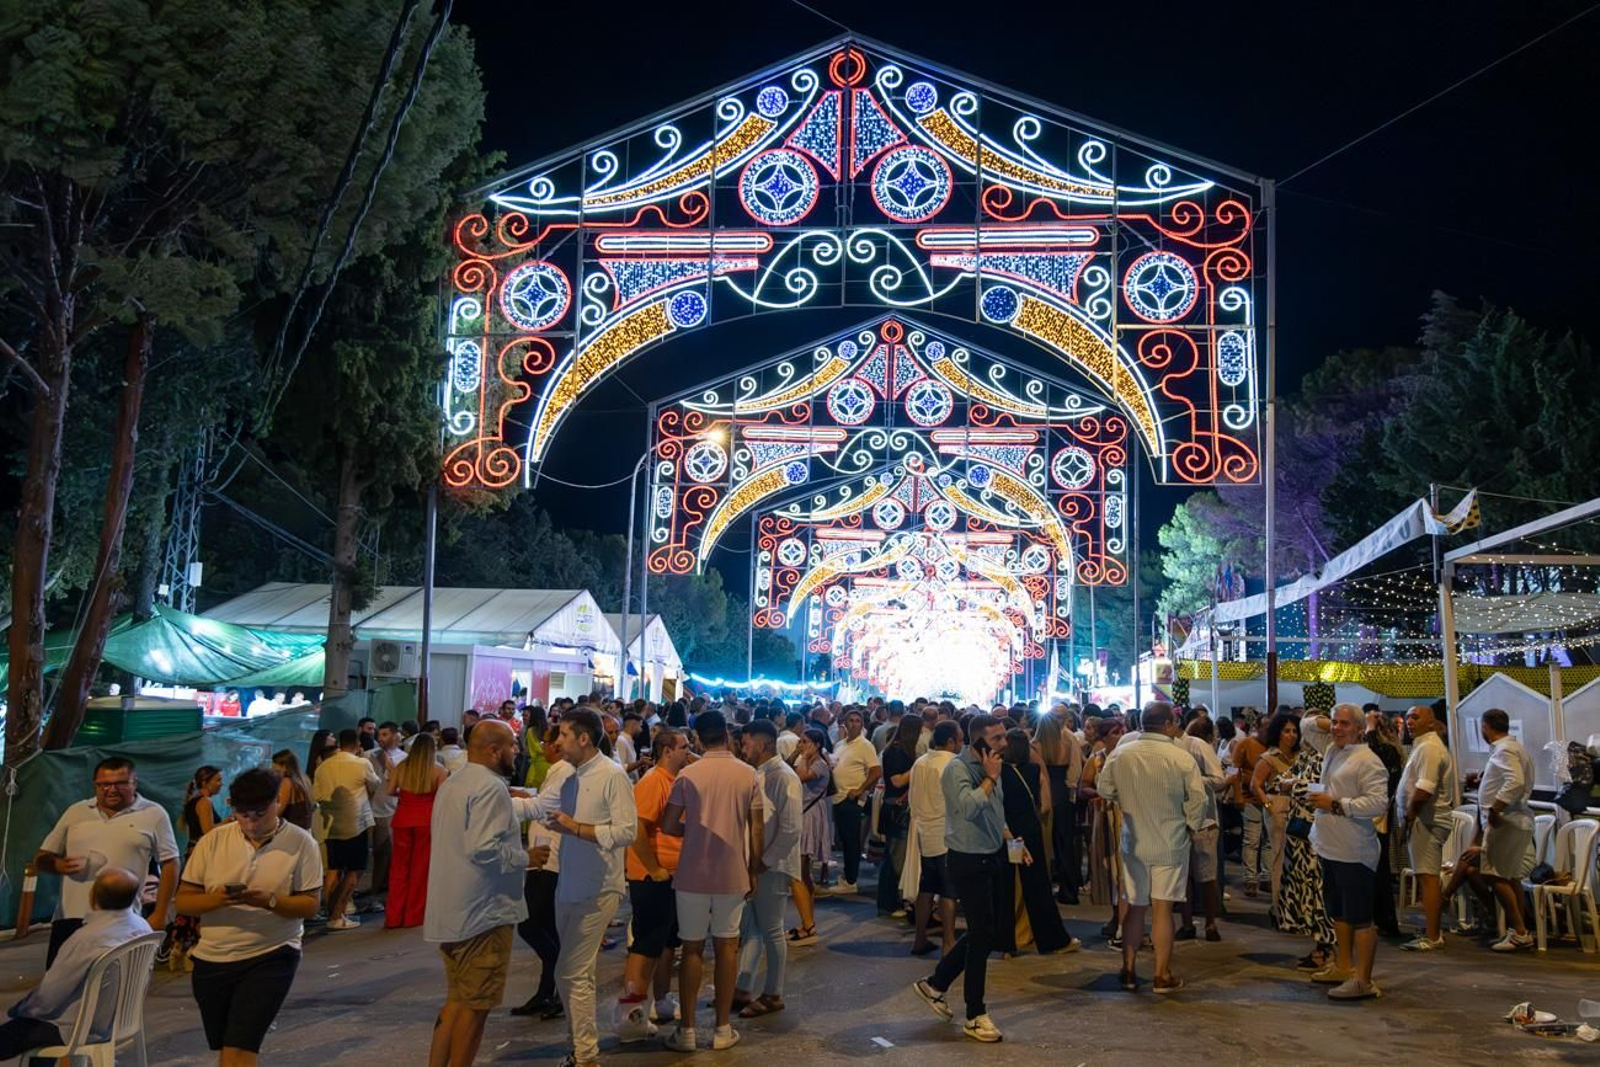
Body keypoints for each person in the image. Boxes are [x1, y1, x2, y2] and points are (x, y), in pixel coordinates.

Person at [175, 767, 323, 1066]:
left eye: (258, 813)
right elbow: (184, 902)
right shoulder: (212, 841)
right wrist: (218, 899)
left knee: (242, 1048)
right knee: (227, 1048)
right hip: (213, 958)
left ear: (276, 803)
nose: (250, 822)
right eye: (243, 814)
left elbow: (310, 905)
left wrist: (268, 900)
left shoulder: (301, 842)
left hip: (272, 953)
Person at [426, 719, 547, 1067]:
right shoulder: (491, 788)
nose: (517, 750)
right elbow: (485, 848)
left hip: (453, 910)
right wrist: (527, 857)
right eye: (512, 745)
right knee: (476, 1006)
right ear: (494, 751)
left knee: (458, 1000)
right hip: (483, 912)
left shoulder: (455, 782)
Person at [660, 710, 760, 1053]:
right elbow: (756, 829)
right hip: (733, 872)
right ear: (728, 736)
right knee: (727, 947)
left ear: (699, 739)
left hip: (691, 873)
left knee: (691, 948)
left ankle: (687, 1030)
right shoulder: (748, 775)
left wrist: (696, 831)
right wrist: (754, 869)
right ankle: (722, 1028)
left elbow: (669, 825)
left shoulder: (688, 775)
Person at [909, 714, 1012, 1043]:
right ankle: (975, 1013)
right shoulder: (958, 769)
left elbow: (996, 811)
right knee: (982, 935)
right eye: (997, 739)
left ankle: (936, 983)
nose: (1004, 744)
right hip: (966, 858)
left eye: (1004, 737)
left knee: (987, 930)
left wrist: (1010, 839)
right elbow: (968, 807)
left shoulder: (993, 766)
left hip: (992, 853)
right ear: (978, 740)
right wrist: (990, 778)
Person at [544, 708, 637, 1067]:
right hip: (568, 883)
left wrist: (578, 829)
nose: (557, 742)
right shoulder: (569, 777)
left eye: (564, 734)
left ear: (584, 738)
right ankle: (578, 1046)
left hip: (599, 888)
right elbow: (543, 807)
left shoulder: (612, 776)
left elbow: (627, 831)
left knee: (572, 970)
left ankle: (585, 1054)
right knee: (567, 971)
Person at [1097, 702, 1206, 994]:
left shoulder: (1121, 753)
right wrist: (1190, 825)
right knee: (1162, 908)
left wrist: (1127, 798)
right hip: (1170, 841)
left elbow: (1104, 789)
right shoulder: (1180, 758)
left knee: (1135, 907)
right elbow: (1198, 800)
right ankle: (1161, 974)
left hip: (1134, 840)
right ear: (1169, 724)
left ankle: (1129, 970)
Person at [35, 756, 178, 968]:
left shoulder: (153, 814)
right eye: (103, 784)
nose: (111, 790)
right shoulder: (76, 812)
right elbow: (42, 857)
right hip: (71, 918)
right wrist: (58, 865)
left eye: (120, 783)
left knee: (114, 989)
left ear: (134, 783)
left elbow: (170, 864)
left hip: (123, 919)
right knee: (62, 989)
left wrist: (160, 913)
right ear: (95, 785)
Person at [0, 867, 151, 1059]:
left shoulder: (87, 939)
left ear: (93, 897)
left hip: (80, 1028)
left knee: (17, 1030)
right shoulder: (143, 927)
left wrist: (21, 1010)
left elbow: (50, 995)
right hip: (121, 1023)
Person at [1307, 703, 1390, 1000]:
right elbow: (1307, 726)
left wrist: (1338, 804)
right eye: (1334, 723)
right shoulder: (1333, 750)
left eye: (1344, 723)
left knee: (1361, 917)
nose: (1336, 728)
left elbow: (1378, 803)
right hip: (1330, 845)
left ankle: (1364, 980)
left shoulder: (1369, 761)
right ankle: (1344, 965)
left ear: (1359, 728)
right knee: (1339, 912)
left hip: (1355, 849)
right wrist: (1325, 720)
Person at [618, 728, 690, 1041]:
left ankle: (660, 1001)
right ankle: (629, 1017)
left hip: (672, 876)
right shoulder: (653, 782)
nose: (689, 751)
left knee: (667, 945)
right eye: (684, 747)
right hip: (652, 877)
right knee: (645, 948)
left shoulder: (675, 781)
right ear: (667, 750)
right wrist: (654, 868)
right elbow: (638, 828)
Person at [733, 719, 802, 1019]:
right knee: (752, 929)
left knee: (772, 929)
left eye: (747, 743)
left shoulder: (784, 776)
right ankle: (742, 986)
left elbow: (790, 829)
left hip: (771, 865)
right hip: (756, 864)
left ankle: (774, 992)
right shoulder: (759, 773)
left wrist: (764, 862)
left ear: (762, 744)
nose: (743, 748)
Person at [996, 728, 1078, 956]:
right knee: (1038, 886)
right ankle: (1051, 940)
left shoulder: (998, 772)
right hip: (1029, 832)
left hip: (1006, 833)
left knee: (1007, 886)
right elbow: (1045, 806)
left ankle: (1005, 944)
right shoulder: (1033, 771)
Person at [512, 726, 571, 1020]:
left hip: (549, 858)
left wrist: (501, 799)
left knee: (530, 923)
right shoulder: (558, 770)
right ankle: (547, 991)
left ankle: (559, 980)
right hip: (542, 854)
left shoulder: (563, 770)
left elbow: (543, 807)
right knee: (543, 925)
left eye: (546, 742)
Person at [1476, 707, 1538, 952]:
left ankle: (1520, 931)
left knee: (1494, 874)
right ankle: (1518, 929)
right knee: (1511, 876)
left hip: (1507, 820)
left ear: (1486, 726)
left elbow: (1516, 781)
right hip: (1515, 819)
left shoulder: (1505, 750)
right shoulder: (1513, 749)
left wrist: (1495, 808)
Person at [1398, 704, 1458, 950]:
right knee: (1425, 876)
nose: (1410, 721)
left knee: (1428, 878)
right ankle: (1431, 931)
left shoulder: (1430, 748)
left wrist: (1411, 815)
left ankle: (1433, 935)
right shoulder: (1423, 745)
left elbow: (1424, 789)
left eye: (1416, 717)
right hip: (1423, 820)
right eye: (1408, 716)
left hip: (1427, 820)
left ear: (1431, 722)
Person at [312, 729, 381, 931]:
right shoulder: (361, 763)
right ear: (358, 743)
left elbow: (316, 795)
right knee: (355, 870)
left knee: (333, 869)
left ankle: (330, 912)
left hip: (332, 825)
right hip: (356, 824)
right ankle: (337, 914)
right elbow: (375, 784)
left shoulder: (323, 767)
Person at [902, 720, 960, 956]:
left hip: (923, 831)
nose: (961, 743)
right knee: (948, 890)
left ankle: (920, 938)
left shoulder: (920, 762)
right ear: (950, 741)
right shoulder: (951, 764)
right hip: (945, 833)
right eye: (959, 739)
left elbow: (911, 799)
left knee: (926, 887)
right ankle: (948, 942)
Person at [385, 731, 448, 929]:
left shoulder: (402, 767)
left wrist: (406, 795)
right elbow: (443, 799)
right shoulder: (439, 770)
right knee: (421, 869)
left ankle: (394, 917)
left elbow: (389, 791)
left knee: (398, 869)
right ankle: (414, 916)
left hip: (402, 819)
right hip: (426, 821)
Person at [163, 765, 224, 966]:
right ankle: (192, 949)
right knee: (200, 900)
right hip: (201, 856)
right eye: (217, 780)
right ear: (205, 782)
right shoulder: (204, 802)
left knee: (189, 900)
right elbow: (208, 831)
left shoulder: (192, 801)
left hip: (191, 852)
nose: (221, 784)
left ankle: (179, 946)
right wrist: (230, 821)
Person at [1177, 716, 1226, 942]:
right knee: (1182, 877)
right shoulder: (1165, 747)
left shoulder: (1197, 746)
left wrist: (1192, 780)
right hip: (1176, 820)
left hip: (1203, 822)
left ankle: (1210, 922)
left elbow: (1218, 779)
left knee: (1206, 876)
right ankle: (1187, 924)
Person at [827, 709, 881, 896]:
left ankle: (851, 880)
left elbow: (875, 771)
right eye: (851, 720)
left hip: (851, 799)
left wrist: (860, 789)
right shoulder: (840, 744)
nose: (854, 724)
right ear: (845, 723)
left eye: (858, 721)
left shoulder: (865, 746)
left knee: (851, 841)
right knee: (844, 839)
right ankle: (847, 875)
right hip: (838, 796)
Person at [1035, 708, 1084, 905]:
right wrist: (1071, 790)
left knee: (1046, 842)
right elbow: (1075, 768)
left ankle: (1048, 888)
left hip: (1045, 791)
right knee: (1065, 843)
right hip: (1062, 790)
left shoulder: (1036, 743)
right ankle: (1069, 889)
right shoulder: (1068, 739)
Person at [1252, 712, 1299, 912]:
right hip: (1277, 804)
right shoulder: (1269, 758)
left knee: (1297, 856)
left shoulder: (1299, 756)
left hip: (1298, 806)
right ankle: (1279, 904)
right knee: (1278, 854)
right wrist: (1270, 807)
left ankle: (1295, 903)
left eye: (1295, 731)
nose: (1292, 735)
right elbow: (1256, 785)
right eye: (1287, 731)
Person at [788, 728, 831, 944]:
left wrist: (803, 757)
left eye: (805, 742)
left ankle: (808, 924)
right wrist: (797, 754)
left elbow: (800, 777)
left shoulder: (820, 764)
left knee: (801, 868)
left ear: (815, 744)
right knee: (803, 871)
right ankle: (807, 919)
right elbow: (788, 769)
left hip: (810, 817)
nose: (801, 745)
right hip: (805, 813)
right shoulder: (808, 759)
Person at [876, 714, 922, 916]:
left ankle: (893, 900)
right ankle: (890, 902)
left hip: (897, 808)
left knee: (896, 855)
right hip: (897, 809)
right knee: (895, 857)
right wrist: (918, 767)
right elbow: (896, 781)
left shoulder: (900, 750)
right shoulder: (896, 752)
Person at [366, 721, 407, 905]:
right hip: (368, 809)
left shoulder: (404, 758)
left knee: (384, 853)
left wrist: (387, 764)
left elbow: (400, 784)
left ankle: (378, 892)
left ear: (396, 736)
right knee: (368, 855)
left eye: (384, 734)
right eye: (379, 735)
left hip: (389, 810)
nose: (380, 738)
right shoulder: (368, 756)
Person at [1230, 713, 1269, 897]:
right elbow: (1234, 770)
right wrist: (1237, 794)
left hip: (1270, 799)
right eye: (1265, 728)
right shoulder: (1245, 744)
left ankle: (1266, 876)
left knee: (1268, 840)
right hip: (1250, 798)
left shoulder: (1275, 745)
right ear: (1257, 727)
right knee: (1252, 840)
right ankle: (1250, 879)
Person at [271, 750, 315, 832]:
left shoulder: (287, 783)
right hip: (306, 831)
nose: (274, 773)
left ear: (284, 767)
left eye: (275, 770)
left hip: (293, 832)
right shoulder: (304, 779)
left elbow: (277, 812)